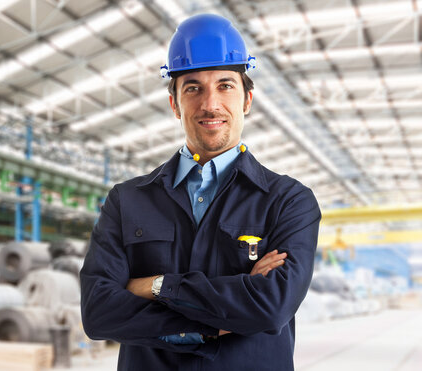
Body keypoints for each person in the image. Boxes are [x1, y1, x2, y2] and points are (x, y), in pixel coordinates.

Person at [80, 13, 320, 371]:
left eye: (225, 85)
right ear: (175, 104)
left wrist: (155, 286)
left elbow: (270, 308)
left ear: (247, 100)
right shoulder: (126, 201)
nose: (210, 103)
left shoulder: (288, 201)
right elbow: (99, 313)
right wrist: (219, 319)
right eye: (193, 88)